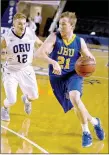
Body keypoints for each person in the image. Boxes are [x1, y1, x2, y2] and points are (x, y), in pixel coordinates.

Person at [35, 11, 105, 147]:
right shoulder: (54, 37)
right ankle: (95, 122)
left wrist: (89, 61)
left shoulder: (79, 41)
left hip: (73, 75)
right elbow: (39, 53)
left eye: (63, 25)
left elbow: (91, 58)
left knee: (75, 97)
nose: (60, 27)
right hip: (57, 78)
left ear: (71, 26)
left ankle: (86, 132)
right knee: (76, 106)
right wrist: (53, 62)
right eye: (60, 24)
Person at [1, 13, 43, 121]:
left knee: (34, 96)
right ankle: (4, 109)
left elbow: (39, 43)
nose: (22, 26)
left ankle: (27, 100)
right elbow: (1, 53)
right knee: (11, 100)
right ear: (13, 24)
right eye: (19, 24)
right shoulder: (7, 37)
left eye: (24, 23)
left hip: (26, 68)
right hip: (11, 70)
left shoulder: (30, 33)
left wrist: (47, 47)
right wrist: (5, 56)